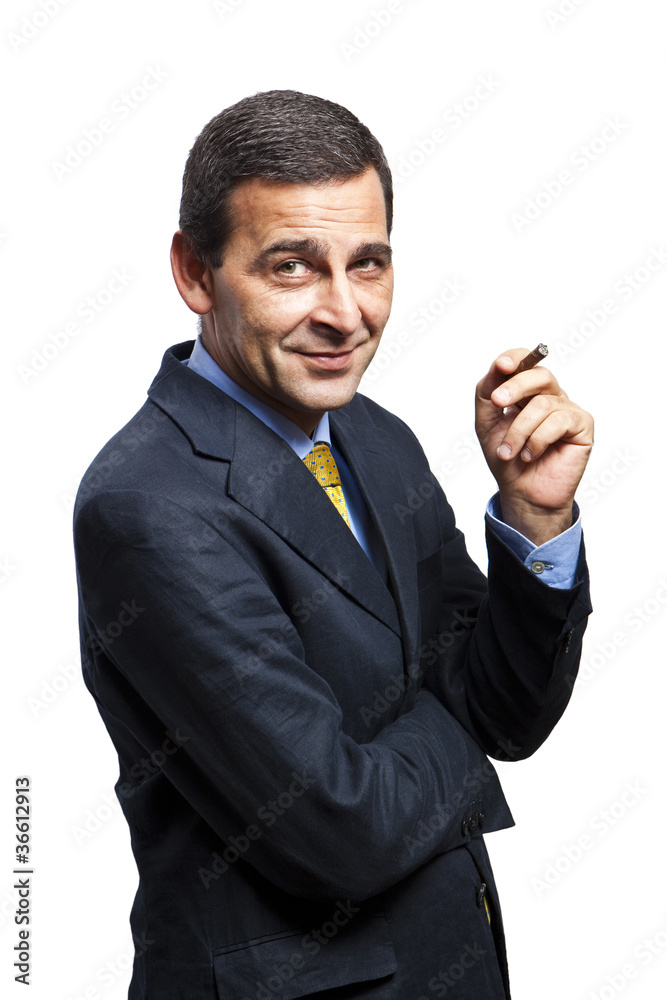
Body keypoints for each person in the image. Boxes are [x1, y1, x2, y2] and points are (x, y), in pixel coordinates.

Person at [73, 89, 593, 1000]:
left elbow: (504, 712)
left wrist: (532, 518)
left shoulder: (371, 435)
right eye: (292, 267)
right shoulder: (147, 507)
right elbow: (340, 831)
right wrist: (453, 715)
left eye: (369, 264)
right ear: (194, 273)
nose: (346, 314)